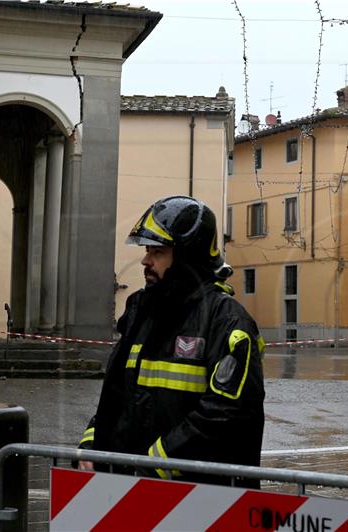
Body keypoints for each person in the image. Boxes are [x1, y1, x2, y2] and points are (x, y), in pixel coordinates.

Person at [77, 196, 265, 486]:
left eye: (158, 251)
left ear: (187, 258)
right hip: (132, 489)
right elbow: (118, 398)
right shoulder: (144, 312)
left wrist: (156, 462)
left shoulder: (226, 321)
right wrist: (92, 445)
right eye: (147, 250)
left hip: (201, 500)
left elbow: (228, 412)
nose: (145, 260)